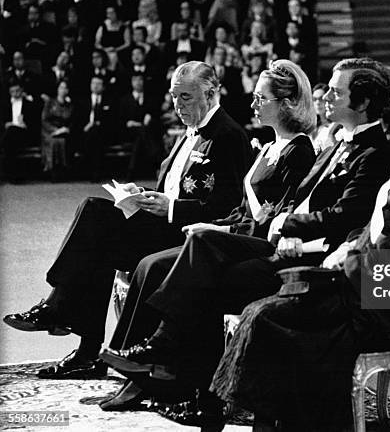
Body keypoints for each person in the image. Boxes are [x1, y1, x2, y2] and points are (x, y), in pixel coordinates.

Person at [209, 53, 390, 431]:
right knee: (268, 312)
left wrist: (352, 262)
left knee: (274, 318)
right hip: (368, 282)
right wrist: (346, 248)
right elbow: (373, 224)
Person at [100, 57, 390, 425]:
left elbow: (346, 217)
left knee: (206, 262)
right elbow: (297, 202)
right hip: (280, 239)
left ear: (363, 102)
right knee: (201, 253)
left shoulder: (374, 154)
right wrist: (270, 222)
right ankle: (188, 383)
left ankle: (181, 371)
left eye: (336, 93)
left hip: (310, 258)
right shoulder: (338, 144)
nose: (326, 98)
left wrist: (285, 223)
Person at [3, 62, 252, 380]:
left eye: (186, 97)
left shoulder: (229, 135)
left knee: (95, 214)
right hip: (162, 225)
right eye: (174, 97)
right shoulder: (187, 132)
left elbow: (231, 207)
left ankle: (59, 309)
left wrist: (172, 207)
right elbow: (174, 187)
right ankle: (86, 351)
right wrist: (146, 195)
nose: (177, 105)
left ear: (212, 93)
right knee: (96, 234)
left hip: (190, 239)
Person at [99, 59, 317, 412]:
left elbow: (275, 219)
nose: (253, 105)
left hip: (261, 249)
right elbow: (243, 211)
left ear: (287, 103)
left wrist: (219, 228)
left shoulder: (300, 150)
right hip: (239, 237)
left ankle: (156, 366)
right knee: (153, 263)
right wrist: (221, 226)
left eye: (261, 99)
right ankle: (138, 367)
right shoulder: (272, 146)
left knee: (167, 265)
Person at [41, 80, 74, 181]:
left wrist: (66, 129)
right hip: (49, 130)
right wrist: (55, 130)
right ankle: (52, 171)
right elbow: (44, 120)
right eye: (61, 87)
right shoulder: (50, 103)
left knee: (63, 141)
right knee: (54, 141)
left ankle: (63, 170)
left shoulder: (70, 105)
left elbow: (72, 121)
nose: (62, 90)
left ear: (67, 90)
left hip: (63, 131)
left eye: (65, 88)